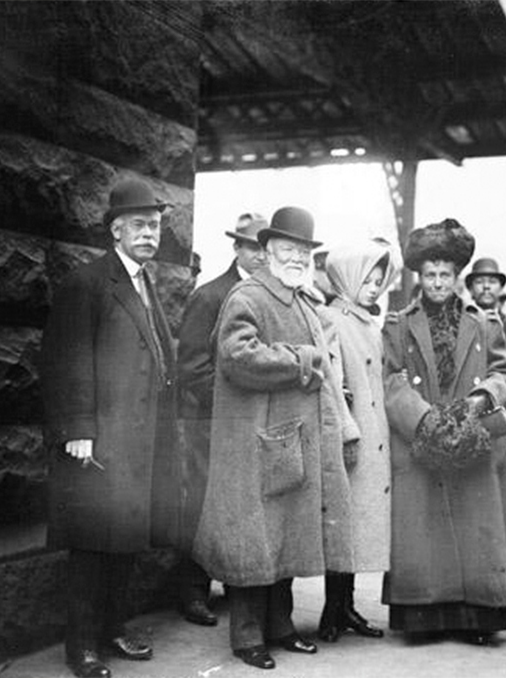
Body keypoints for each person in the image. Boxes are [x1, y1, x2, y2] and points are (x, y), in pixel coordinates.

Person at [194, 206, 354, 671]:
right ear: (265, 252)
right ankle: (246, 638)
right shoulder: (250, 295)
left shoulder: (302, 300)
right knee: (255, 542)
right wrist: (301, 360)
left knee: (283, 536)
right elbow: (235, 356)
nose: (298, 257)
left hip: (287, 441)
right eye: (288, 249)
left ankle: (280, 628)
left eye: (304, 251)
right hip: (255, 443)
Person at [41, 179, 182, 678]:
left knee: (124, 542)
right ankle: (81, 647)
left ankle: (113, 630)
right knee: (91, 549)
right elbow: (67, 360)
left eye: (156, 225)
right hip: (99, 442)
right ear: (116, 230)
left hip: (138, 442)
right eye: (140, 225)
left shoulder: (146, 283)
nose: (150, 234)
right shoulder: (88, 283)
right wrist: (79, 428)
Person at [378, 218, 506, 645]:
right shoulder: (398, 325)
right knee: (424, 531)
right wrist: (425, 419)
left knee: (473, 526)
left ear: (457, 276)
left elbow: (504, 374)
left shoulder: (485, 323)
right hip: (421, 436)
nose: (438, 282)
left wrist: (480, 399)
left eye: (446, 274)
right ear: (418, 277)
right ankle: (425, 619)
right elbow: (391, 379)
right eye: (430, 275)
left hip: (473, 433)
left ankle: (478, 619)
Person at [168, 212, 273, 628]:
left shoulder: (267, 295)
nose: (261, 256)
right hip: (208, 421)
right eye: (252, 247)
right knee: (202, 504)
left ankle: (235, 583)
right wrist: (233, 407)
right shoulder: (211, 295)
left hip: (249, 424)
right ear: (236, 248)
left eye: (266, 249)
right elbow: (192, 368)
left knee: (242, 506)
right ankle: (191, 591)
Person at [312, 238, 395, 644]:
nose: (375, 287)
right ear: (347, 278)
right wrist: (347, 430)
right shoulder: (331, 318)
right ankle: (333, 609)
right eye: (368, 279)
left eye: (380, 280)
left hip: (373, 434)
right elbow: (332, 380)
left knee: (358, 529)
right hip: (352, 436)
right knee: (342, 527)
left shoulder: (367, 322)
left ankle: (345, 606)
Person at [465, 257, 506, 327]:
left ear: (501, 289)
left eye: (492, 282)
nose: (486, 286)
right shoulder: (460, 322)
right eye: (479, 282)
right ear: (471, 289)